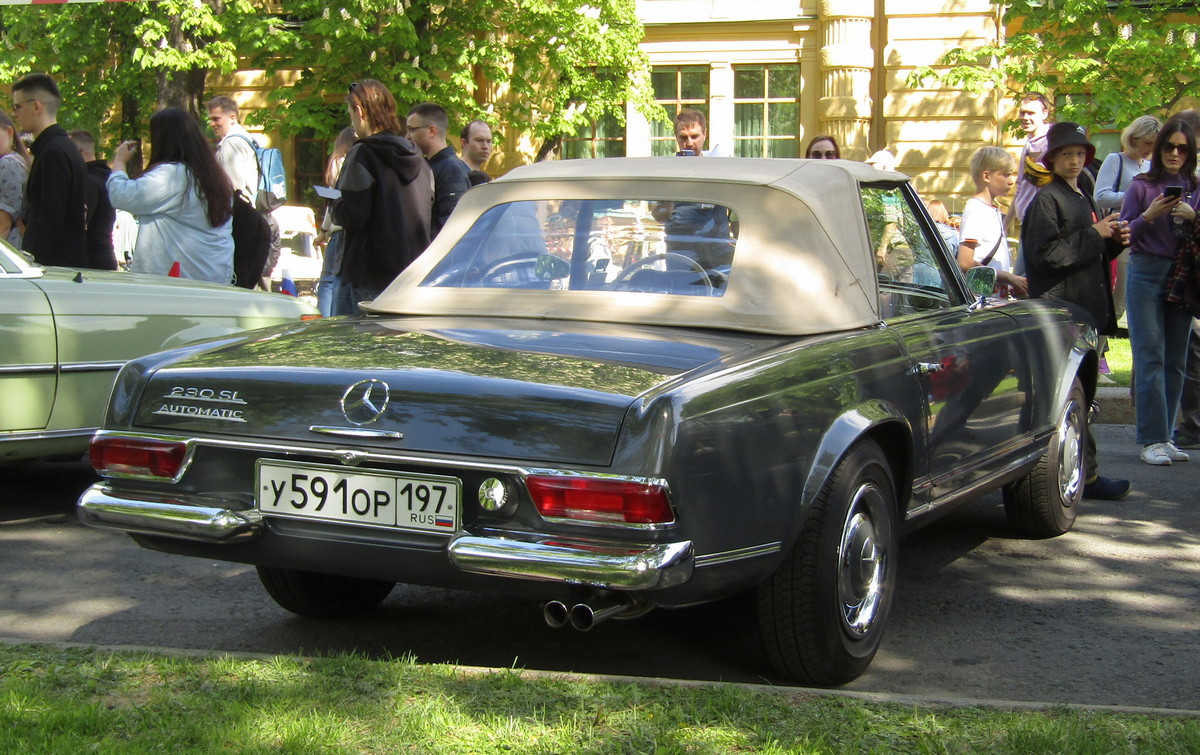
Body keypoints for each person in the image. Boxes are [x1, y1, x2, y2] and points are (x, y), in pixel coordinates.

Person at [1022, 121, 1131, 499]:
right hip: (1062, 313)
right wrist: (1095, 235)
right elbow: (1044, 256)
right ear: (1052, 159)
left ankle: (1085, 473)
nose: (1074, 160)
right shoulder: (1047, 199)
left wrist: (1113, 241)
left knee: (1083, 397)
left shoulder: (1082, 192)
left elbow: (1086, 254)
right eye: (1066, 154)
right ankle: (1083, 477)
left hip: (1086, 309)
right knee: (1071, 397)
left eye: (1079, 154)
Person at [1120, 118, 1200, 465]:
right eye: (1169, 146)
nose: (1175, 154)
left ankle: (1166, 436)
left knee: (1176, 361)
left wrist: (1193, 217)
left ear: (1191, 152)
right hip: (1146, 271)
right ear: (1159, 148)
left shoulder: (1196, 188)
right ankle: (1151, 439)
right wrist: (1149, 215)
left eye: (1183, 148)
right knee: (1150, 354)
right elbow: (1125, 236)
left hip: (1183, 275)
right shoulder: (1142, 186)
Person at [333, 79, 433, 310]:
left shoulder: (363, 154)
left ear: (359, 111)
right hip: (411, 275)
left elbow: (353, 214)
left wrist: (334, 204)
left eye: (350, 112)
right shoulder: (418, 157)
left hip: (368, 274)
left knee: (356, 344)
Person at [106, 108, 235, 284]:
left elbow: (121, 195)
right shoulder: (215, 178)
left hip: (175, 283)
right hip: (213, 277)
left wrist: (120, 162)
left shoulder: (171, 176)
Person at [1093, 115, 1162, 380]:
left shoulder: (1150, 164)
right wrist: (1140, 197)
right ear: (1133, 138)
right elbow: (1101, 197)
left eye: (1155, 144)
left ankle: (1112, 363)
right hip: (1119, 238)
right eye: (1147, 143)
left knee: (1127, 305)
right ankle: (1097, 361)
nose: (1150, 149)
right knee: (1115, 304)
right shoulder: (1116, 160)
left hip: (1143, 239)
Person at [11, 73, 88, 267]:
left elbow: (49, 220)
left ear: (36, 106)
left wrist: (33, 265)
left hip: (52, 269)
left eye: (17, 106)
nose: (14, 114)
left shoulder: (54, 152)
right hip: (59, 266)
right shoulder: (60, 147)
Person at [206, 95, 281, 285]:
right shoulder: (248, 140)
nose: (212, 123)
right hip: (259, 219)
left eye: (216, 119)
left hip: (243, 223)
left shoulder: (231, 144)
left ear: (232, 118)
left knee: (242, 285)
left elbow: (232, 191)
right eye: (210, 119)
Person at [956, 146, 1028, 297]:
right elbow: (964, 262)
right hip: (981, 300)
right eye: (1006, 175)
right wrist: (1008, 277)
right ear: (987, 176)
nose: (1011, 181)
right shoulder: (976, 210)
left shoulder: (992, 209)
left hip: (994, 299)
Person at [406, 102, 471, 237]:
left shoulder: (451, 169)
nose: (407, 136)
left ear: (432, 131)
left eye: (412, 129)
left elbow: (451, 226)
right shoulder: (432, 165)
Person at [316, 127, 356, 317]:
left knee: (328, 279)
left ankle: (325, 319)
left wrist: (324, 229)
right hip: (350, 227)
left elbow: (334, 200)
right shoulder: (356, 161)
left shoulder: (338, 162)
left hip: (338, 227)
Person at [68, 129, 118, 271]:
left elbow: (81, 224)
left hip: (91, 260)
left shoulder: (89, 182)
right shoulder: (107, 178)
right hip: (104, 254)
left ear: (80, 151)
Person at [1009, 93, 1054, 236]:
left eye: (1031, 113)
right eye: (1022, 112)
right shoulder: (1029, 143)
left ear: (1044, 113)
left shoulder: (1052, 141)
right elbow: (1020, 186)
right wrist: (1005, 225)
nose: (1025, 117)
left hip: (1044, 221)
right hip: (1026, 221)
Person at [0, 110, 29, 249]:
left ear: (9, 132)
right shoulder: (17, 161)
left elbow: (3, 224)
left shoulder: (9, 164)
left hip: (7, 248)